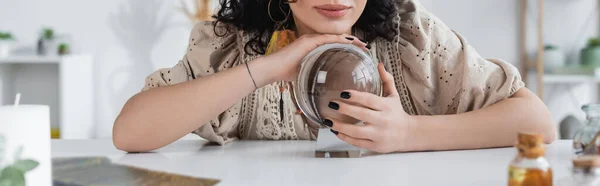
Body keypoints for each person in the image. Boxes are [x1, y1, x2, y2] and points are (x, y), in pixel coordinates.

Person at [113, 0, 557, 153]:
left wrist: (408, 132)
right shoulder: (233, 44)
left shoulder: (412, 37)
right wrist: (267, 68)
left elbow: (537, 122)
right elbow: (129, 132)